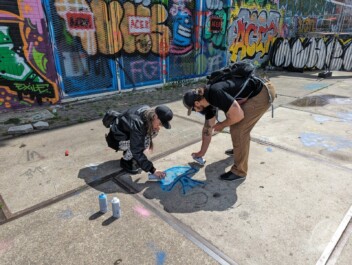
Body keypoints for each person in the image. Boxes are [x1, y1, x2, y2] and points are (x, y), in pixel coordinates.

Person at [182, 64, 276, 181]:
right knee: (235, 124)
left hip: (262, 93)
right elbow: (208, 128)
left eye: (193, 109)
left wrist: (222, 125)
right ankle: (239, 149)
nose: (195, 111)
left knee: (239, 130)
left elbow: (238, 115)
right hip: (255, 91)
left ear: (196, 104)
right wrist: (201, 152)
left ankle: (240, 172)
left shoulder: (215, 93)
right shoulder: (207, 101)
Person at [105, 105, 173, 178]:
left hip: (126, 135)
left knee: (153, 133)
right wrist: (153, 170)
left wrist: (154, 128)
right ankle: (125, 161)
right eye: (160, 123)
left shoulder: (147, 111)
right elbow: (137, 150)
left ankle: (129, 153)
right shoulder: (138, 123)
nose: (160, 126)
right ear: (155, 117)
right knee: (143, 143)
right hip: (115, 141)